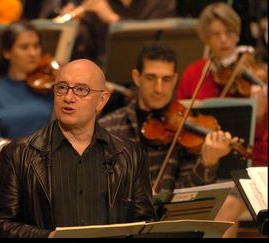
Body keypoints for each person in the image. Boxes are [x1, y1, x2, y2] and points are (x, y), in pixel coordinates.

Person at [0, 59, 157, 238]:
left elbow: (146, 226)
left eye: (81, 90)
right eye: (61, 87)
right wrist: (48, 237)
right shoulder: (18, 154)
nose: (68, 97)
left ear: (101, 100)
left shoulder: (131, 156)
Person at [176, 2, 268, 237]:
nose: (225, 40)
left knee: (225, 208)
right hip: (204, 163)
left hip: (247, 164)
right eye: (216, 34)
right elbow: (179, 120)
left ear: (238, 34)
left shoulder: (254, 75)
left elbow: (261, 146)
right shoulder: (195, 74)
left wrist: (257, 118)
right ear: (206, 38)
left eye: (230, 33)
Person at [99, 42, 234, 194]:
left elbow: (189, 197)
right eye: (151, 78)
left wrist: (207, 162)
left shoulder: (186, 131)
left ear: (175, 79)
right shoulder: (108, 128)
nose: (159, 89)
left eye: (167, 79)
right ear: (137, 78)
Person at [0, 20, 54, 141]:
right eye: (24, 47)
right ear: (7, 53)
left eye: (36, 46)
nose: (33, 53)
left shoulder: (51, 87)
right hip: (9, 158)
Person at [56, 0, 176, 65]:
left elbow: (154, 43)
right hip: (101, 73)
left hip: (144, 72)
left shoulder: (161, 3)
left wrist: (112, 18)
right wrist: (75, 31)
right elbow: (87, 47)